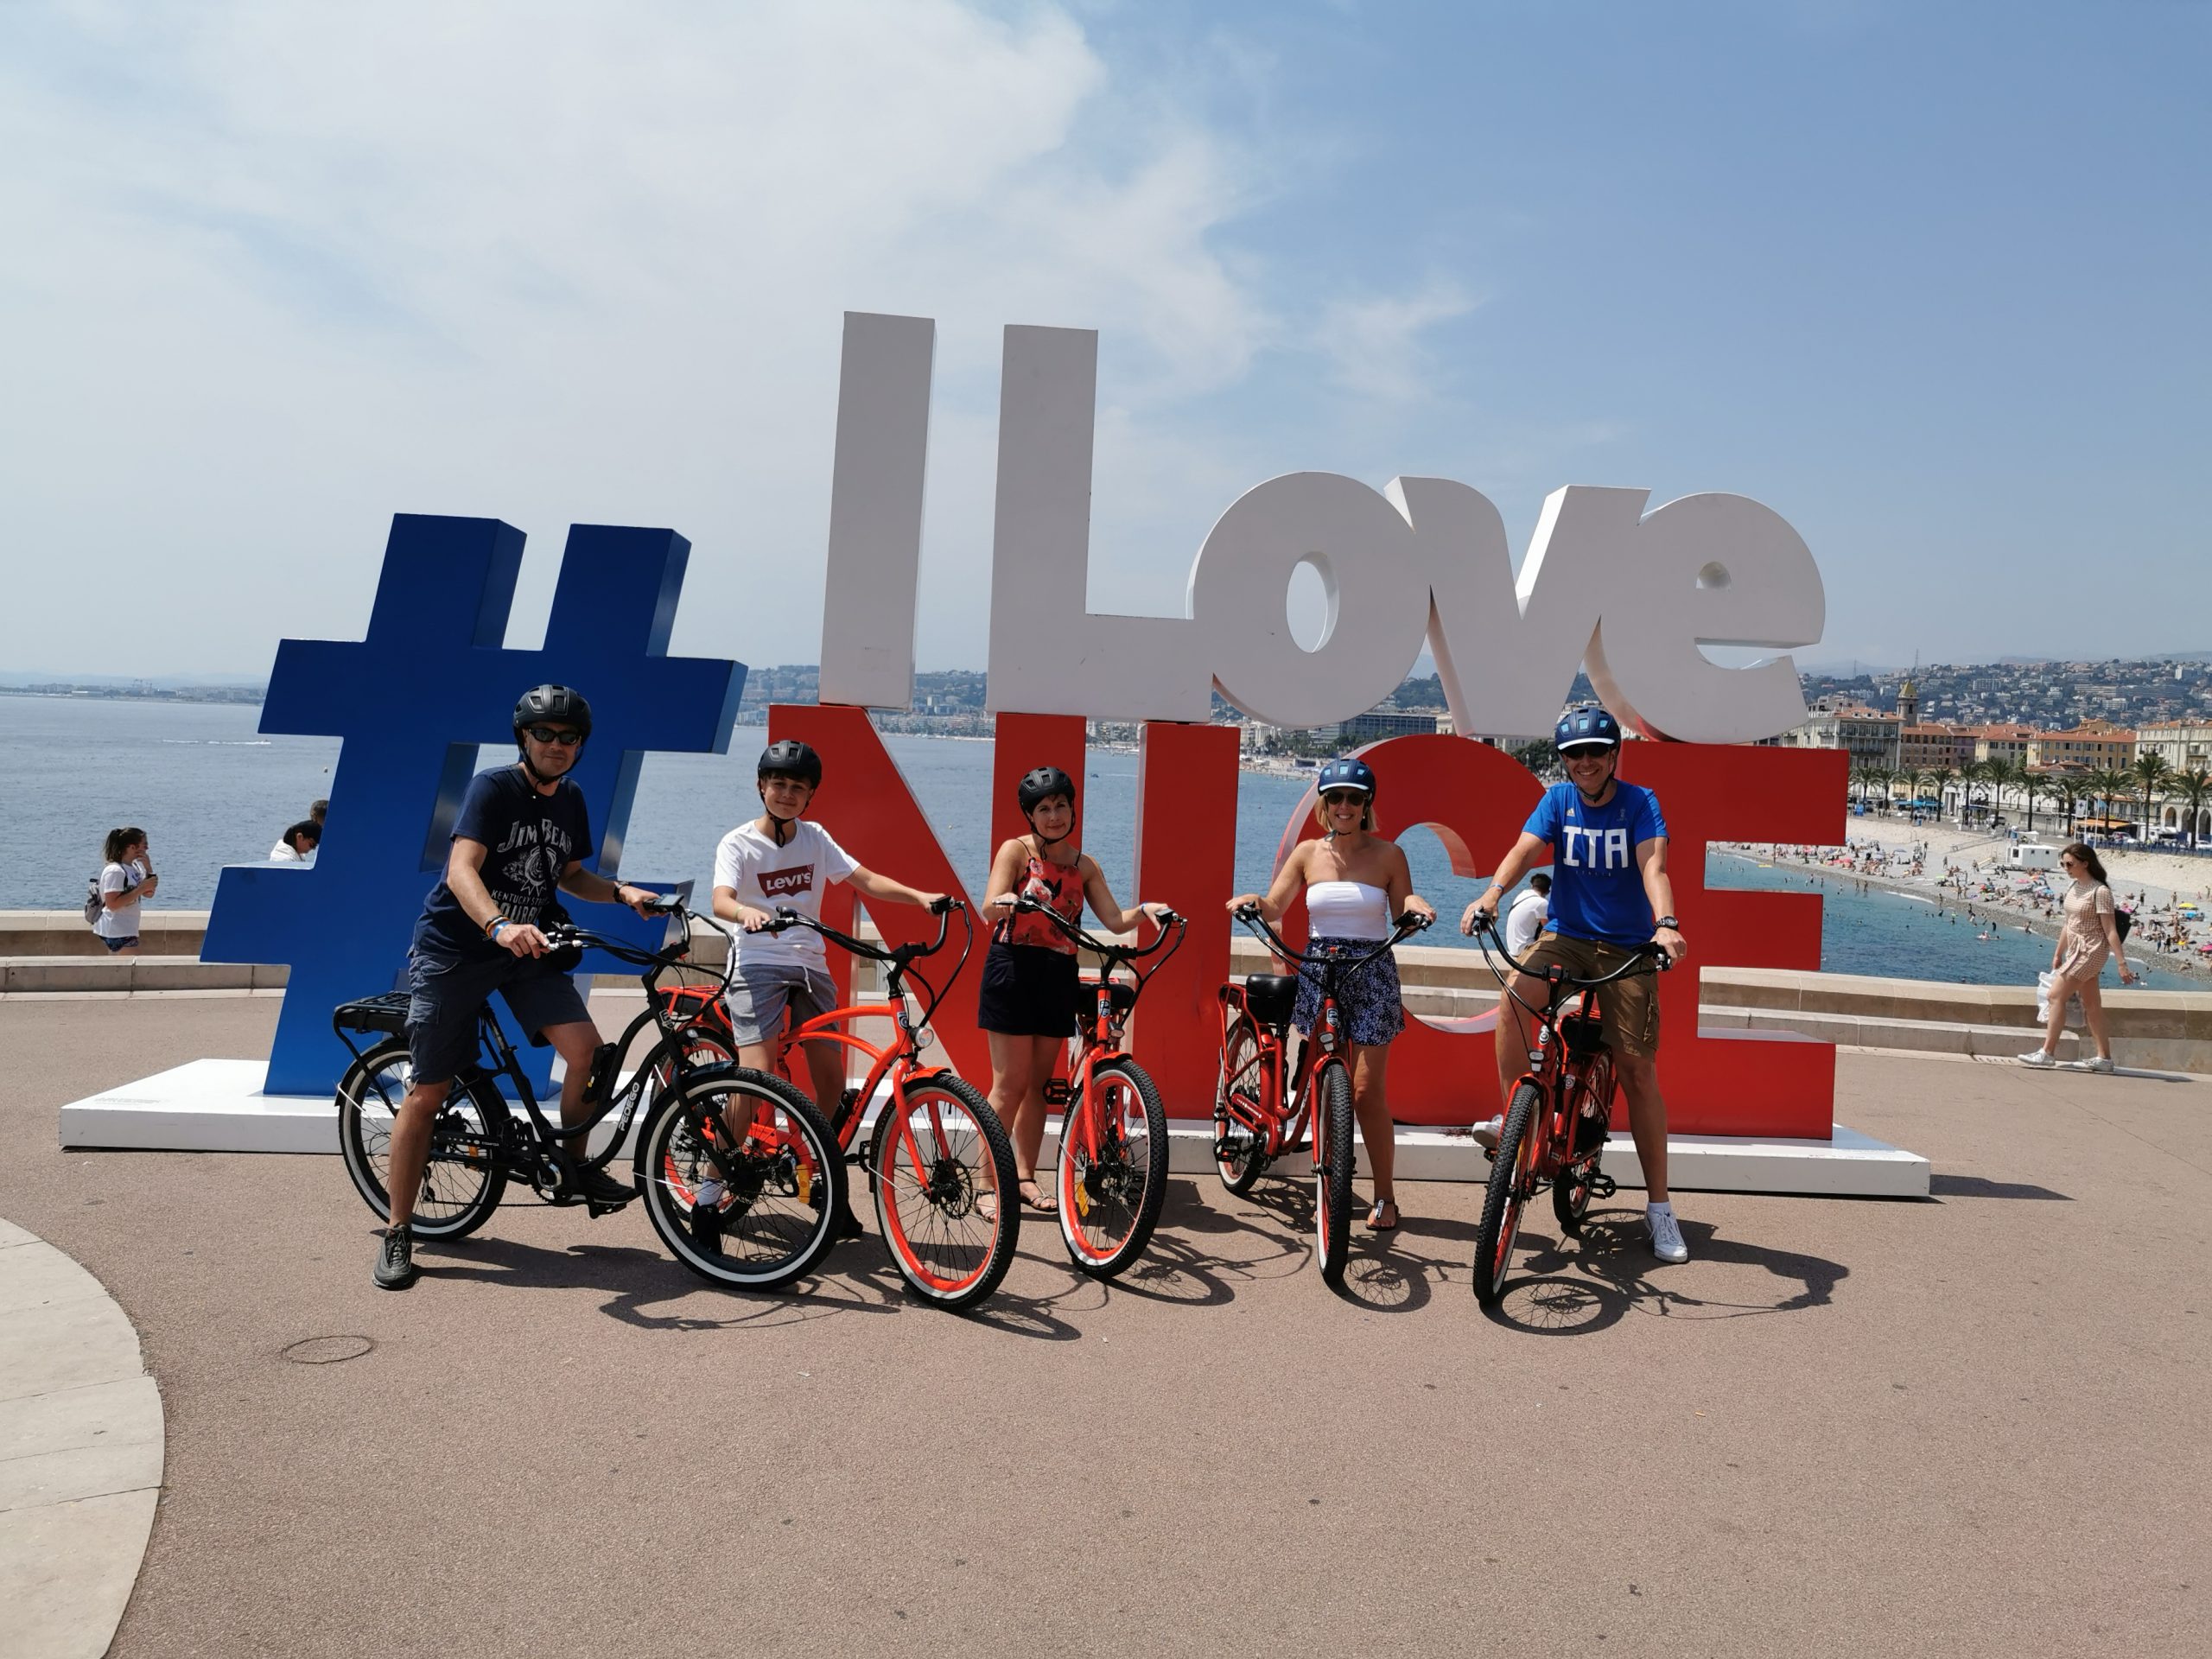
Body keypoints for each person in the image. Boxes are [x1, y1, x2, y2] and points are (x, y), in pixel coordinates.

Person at [376, 685, 664, 1292]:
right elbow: (461, 869)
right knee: (428, 1093)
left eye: (568, 737)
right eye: (545, 734)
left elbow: (572, 874)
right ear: (523, 738)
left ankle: (575, 1168)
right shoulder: (493, 788)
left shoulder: (572, 798)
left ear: (581, 745)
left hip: (527, 948)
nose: (557, 745)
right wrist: (497, 925)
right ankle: (400, 1228)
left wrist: (622, 892)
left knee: (589, 1052)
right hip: (458, 950)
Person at [1461, 704, 1690, 1264]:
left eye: (1594, 752)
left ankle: (1660, 1207)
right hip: (1565, 936)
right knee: (1514, 998)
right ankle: (1516, 1120)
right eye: (1573, 754)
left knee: (1638, 1072)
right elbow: (1524, 850)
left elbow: (1653, 868)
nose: (1584, 762)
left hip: (1627, 946)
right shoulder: (1558, 800)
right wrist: (1491, 894)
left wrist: (1665, 924)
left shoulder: (1640, 803)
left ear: (1613, 755)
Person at [1227, 757, 1435, 1230]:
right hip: (1321, 969)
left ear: (1366, 804)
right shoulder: (1307, 853)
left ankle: (1384, 1196)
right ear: (1325, 804)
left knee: (1365, 1091)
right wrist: (1253, 901)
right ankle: (1331, 1172)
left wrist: (1416, 904)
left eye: (1354, 798)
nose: (1345, 806)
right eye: (1336, 797)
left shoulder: (1389, 855)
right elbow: (1275, 903)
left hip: (1371, 971)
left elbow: (1403, 905)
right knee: (1325, 1080)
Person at [711, 740, 945, 1149]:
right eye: (778, 784)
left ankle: (801, 1157)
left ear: (810, 796)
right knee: (756, 1079)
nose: (787, 795)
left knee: (833, 1085)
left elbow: (864, 878)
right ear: (761, 786)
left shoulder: (815, 837)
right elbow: (721, 900)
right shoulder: (738, 843)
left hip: (810, 965)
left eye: (798, 788)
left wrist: (919, 897)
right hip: (757, 962)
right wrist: (745, 913)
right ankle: (714, 1177)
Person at [984, 766, 1174, 1216]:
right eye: (1044, 809)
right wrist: (1006, 901)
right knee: (1008, 1086)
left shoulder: (1083, 865)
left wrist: (1146, 909)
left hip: (1057, 973)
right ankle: (988, 1183)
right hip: (1013, 968)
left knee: (1037, 1086)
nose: (1054, 816)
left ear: (1072, 810)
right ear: (1030, 815)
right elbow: (989, 905)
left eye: (1061, 806)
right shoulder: (1015, 851)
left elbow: (1114, 920)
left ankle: (1025, 1178)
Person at [2019, 842, 2137, 1073]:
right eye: (2063, 864)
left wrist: (2121, 963)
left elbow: (2110, 930)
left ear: (2085, 863)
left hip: (2091, 951)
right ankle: (2104, 1058)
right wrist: (2058, 952)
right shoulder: (2074, 887)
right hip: (2075, 951)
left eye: (2070, 864)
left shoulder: (2100, 892)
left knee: (2055, 995)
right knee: (2092, 1005)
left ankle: (2047, 1053)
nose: (2066, 868)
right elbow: (2069, 923)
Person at [94, 829, 156, 957]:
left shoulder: (135, 868)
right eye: (144, 844)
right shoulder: (115, 871)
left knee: (121, 968)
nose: (147, 848)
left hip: (127, 929)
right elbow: (112, 904)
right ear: (132, 847)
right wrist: (140, 889)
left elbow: (149, 893)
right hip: (116, 931)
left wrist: (148, 868)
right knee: (136, 966)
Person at [1503, 871, 1552, 957]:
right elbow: (1548, 928)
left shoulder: (1522, 895)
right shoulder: (1542, 902)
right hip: (1525, 949)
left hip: (1513, 949)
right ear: (1547, 891)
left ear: (1532, 886)